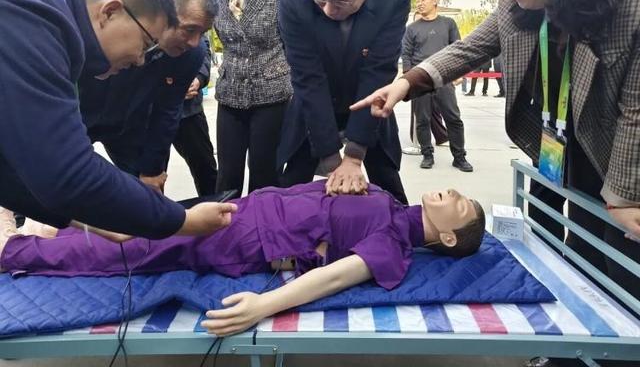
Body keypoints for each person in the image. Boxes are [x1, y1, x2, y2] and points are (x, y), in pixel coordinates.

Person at [352, 0, 640, 308]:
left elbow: (637, 109)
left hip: (629, 158)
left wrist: (626, 194)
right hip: (571, 146)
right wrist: (407, 83)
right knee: (583, 258)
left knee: (623, 268)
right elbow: (473, 46)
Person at [0, 181, 485, 337]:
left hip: (248, 239)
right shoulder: (390, 201)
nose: (455, 192)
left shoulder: (393, 242)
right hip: (249, 209)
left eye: (462, 205)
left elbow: (336, 277)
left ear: (446, 237)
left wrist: (263, 305)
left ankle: (14, 251)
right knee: (147, 221)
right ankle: (58, 228)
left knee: (141, 247)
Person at [0, 0, 235, 239]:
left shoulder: (36, 5)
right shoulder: (28, 22)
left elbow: (15, 176)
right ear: (109, 12)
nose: (140, 60)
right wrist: (181, 221)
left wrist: (99, 223)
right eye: (146, 43)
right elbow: (67, 173)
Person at [277, 0, 410, 203]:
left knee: (390, 192)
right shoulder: (292, 2)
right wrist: (331, 159)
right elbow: (308, 79)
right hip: (313, 109)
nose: (328, 9)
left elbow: (378, 72)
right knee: (289, 195)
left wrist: (354, 155)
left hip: (370, 102)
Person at [80, 0, 217, 194]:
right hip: (80, 114)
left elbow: (168, 111)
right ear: (162, 11)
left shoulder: (191, 53)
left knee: (144, 194)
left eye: (202, 33)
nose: (194, 42)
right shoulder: (111, 30)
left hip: (131, 127)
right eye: (189, 29)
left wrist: (152, 169)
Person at [114, 0, 219, 196]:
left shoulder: (190, 33)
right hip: (128, 119)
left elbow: (201, 47)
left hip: (182, 108)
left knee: (200, 168)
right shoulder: (111, 18)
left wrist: (198, 78)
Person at [204, 0, 293, 196]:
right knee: (227, 174)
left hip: (272, 98)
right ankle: (226, 222)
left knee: (265, 174)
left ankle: (263, 222)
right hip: (230, 96)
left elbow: (294, 49)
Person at [402, 0, 472, 172]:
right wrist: (409, 80)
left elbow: (458, 49)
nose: (420, 3)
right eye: (418, 0)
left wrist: (458, 73)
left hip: (444, 77)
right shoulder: (412, 29)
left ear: (435, 1)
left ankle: (459, 157)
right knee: (422, 120)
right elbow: (406, 55)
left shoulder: (448, 23)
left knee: (453, 118)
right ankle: (427, 155)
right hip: (420, 80)